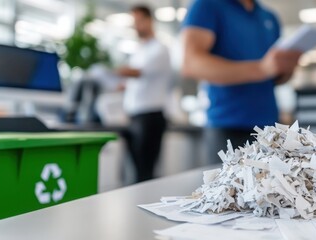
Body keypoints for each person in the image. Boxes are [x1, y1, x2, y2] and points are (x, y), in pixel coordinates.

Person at [182, 0, 302, 163]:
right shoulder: (207, 5)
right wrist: (261, 69)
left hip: (270, 129)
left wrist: (286, 67)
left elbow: (274, 77)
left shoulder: (269, 16)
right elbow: (191, 64)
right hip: (228, 127)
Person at [117, 5, 171, 182]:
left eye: (139, 21)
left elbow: (138, 72)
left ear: (149, 21)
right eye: (134, 22)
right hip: (134, 116)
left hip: (150, 117)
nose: (136, 26)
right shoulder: (138, 50)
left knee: (145, 173)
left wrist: (110, 71)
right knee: (136, 171)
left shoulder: (159, 49)